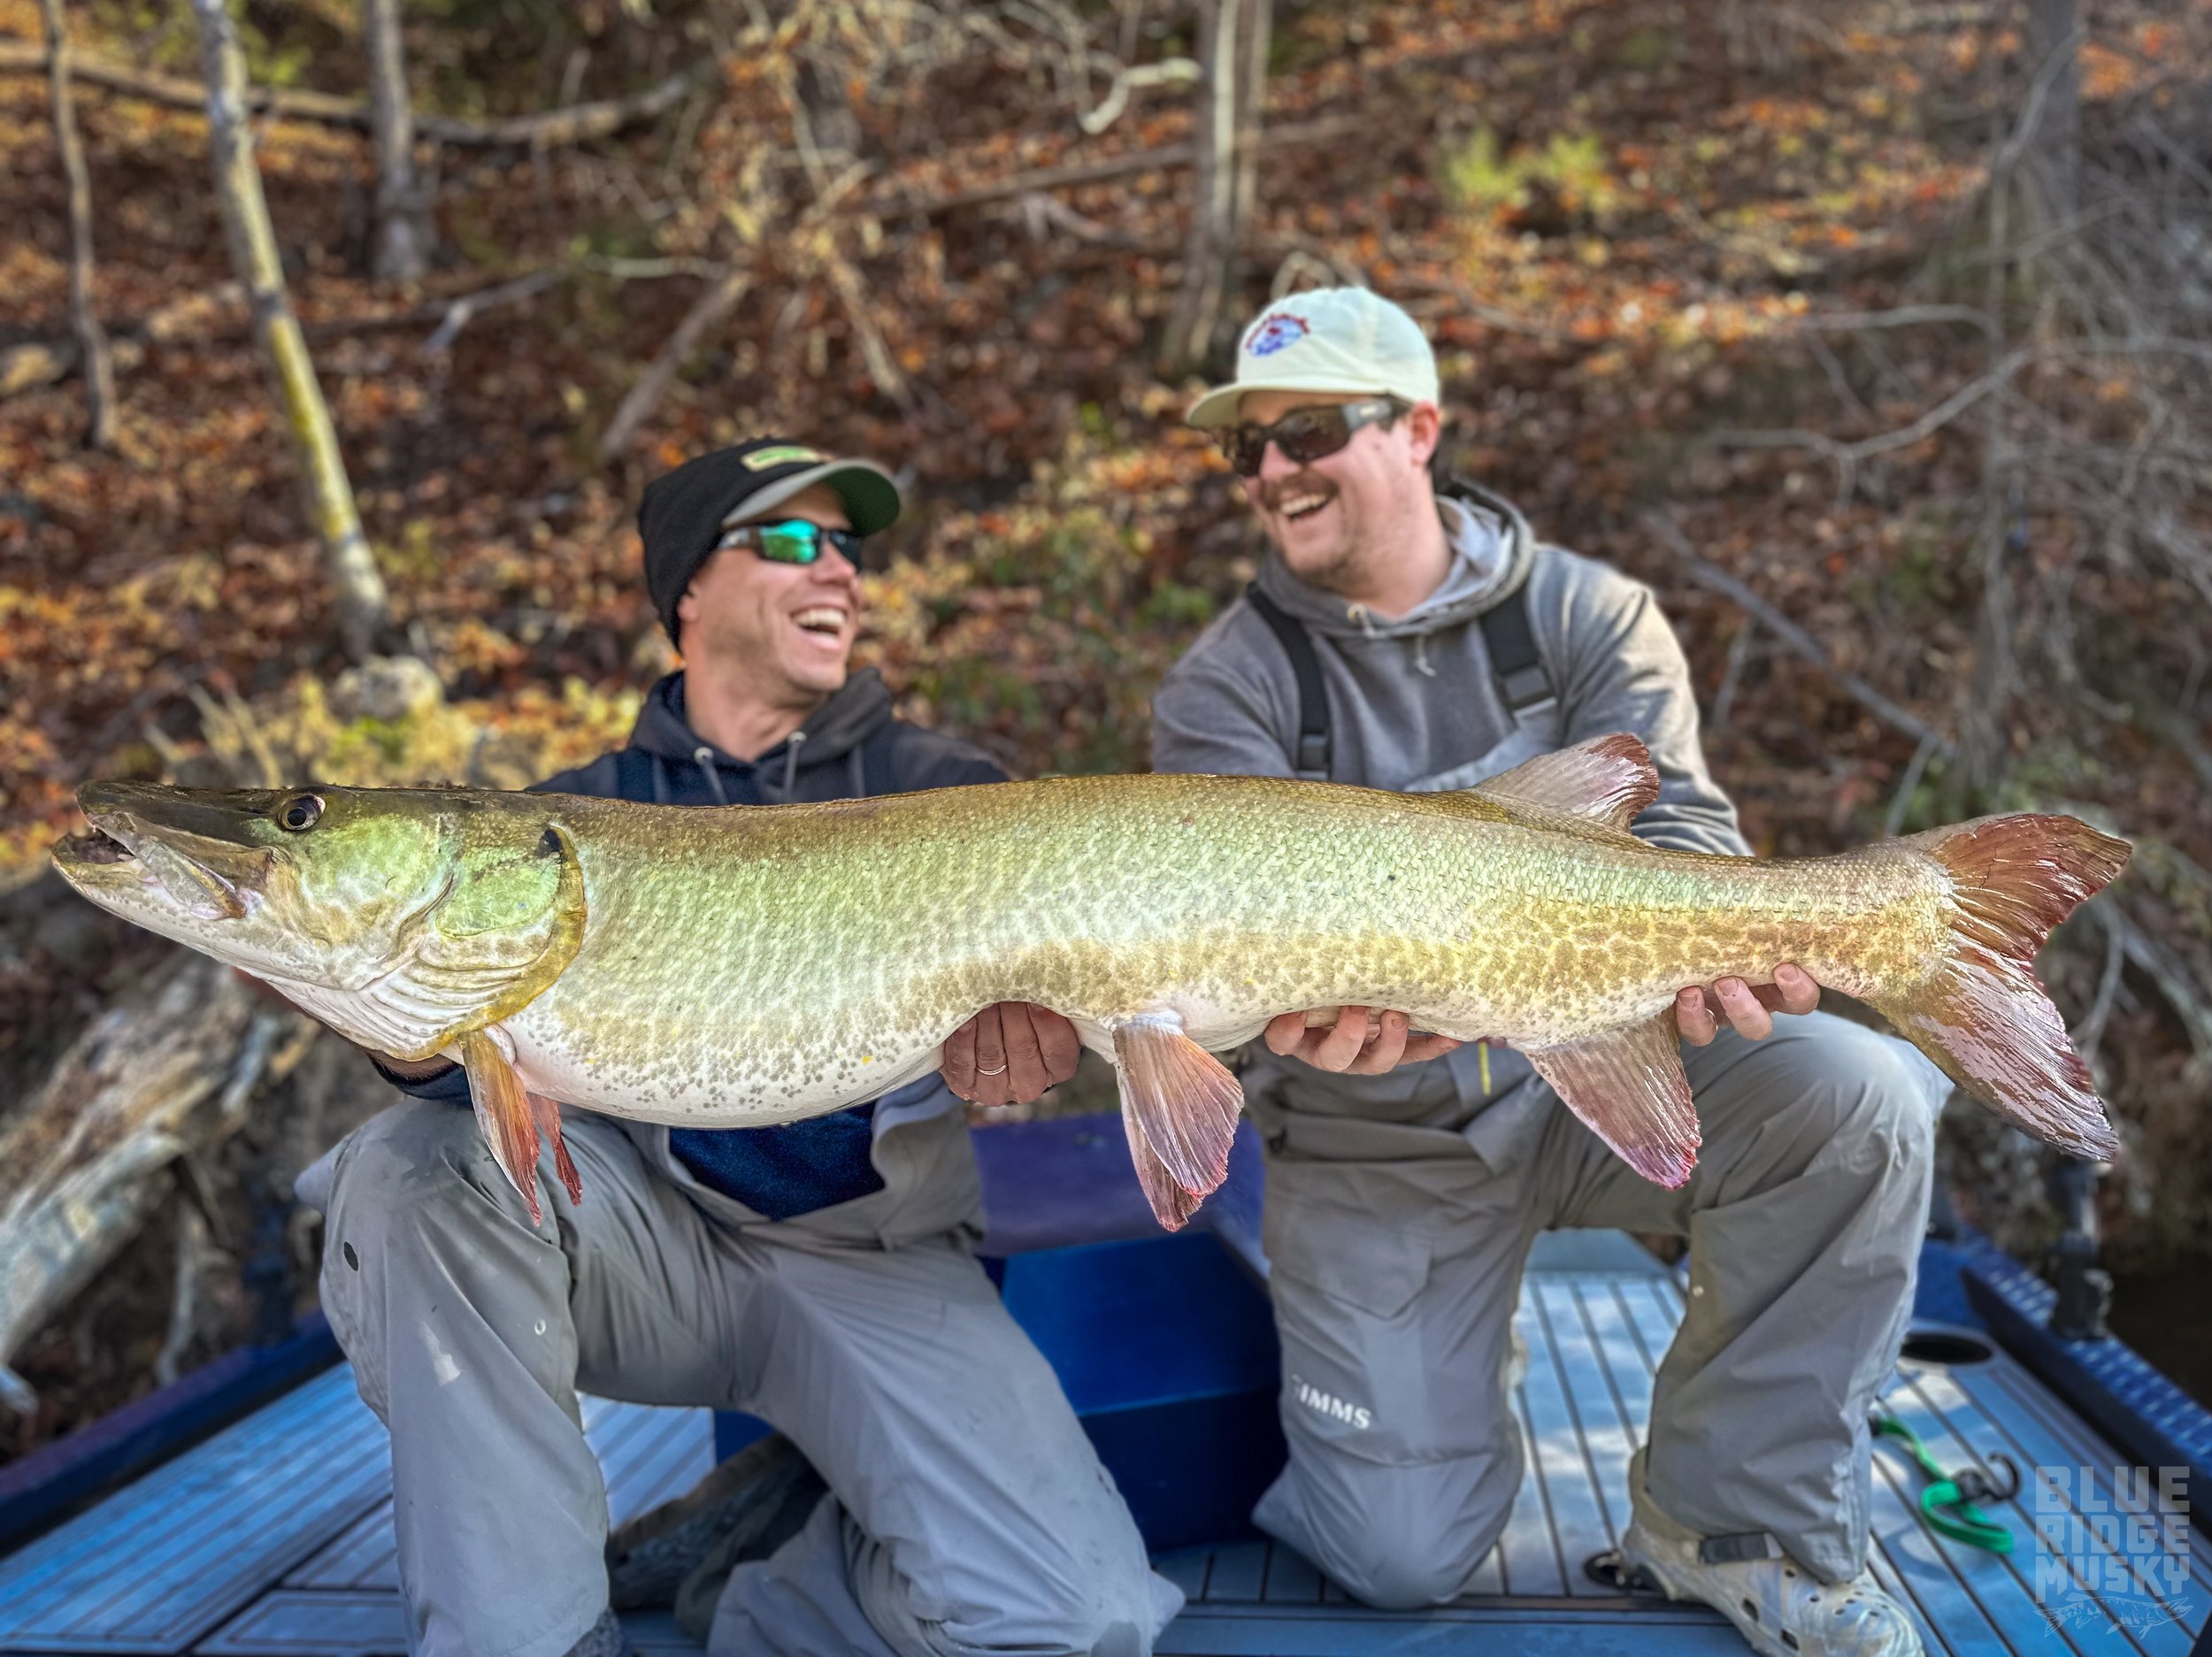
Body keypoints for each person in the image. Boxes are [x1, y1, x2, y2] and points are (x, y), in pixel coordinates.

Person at [1148, 288, 1943, 1657]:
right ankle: (1451, 1362)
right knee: (1398, 1562)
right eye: (1250, 448)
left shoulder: (1587, 612)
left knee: (1862, 1091)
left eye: (1310, 429)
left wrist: (1716, 954)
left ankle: (1728, 1518)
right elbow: (1224, 974)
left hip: (1600, 1053)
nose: (1275, 469)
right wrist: (1286, 1037)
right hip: (1374, 1129)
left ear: (1419, 430)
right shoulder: (1225, 685)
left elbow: (1687, 832)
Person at [295, 440, 1183, 1657]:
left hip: (873, 1258)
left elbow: (1052, 1024)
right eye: (789, 540)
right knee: (410, 1170)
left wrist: (1034, 1055)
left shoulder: (943, 787)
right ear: (688, 594)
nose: (840, 572)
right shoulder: (574, 811)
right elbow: (468, 1053)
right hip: (643, 1244)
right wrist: (390, 1021)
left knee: (1085, 1624)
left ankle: (758, 1565)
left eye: (850, 548)